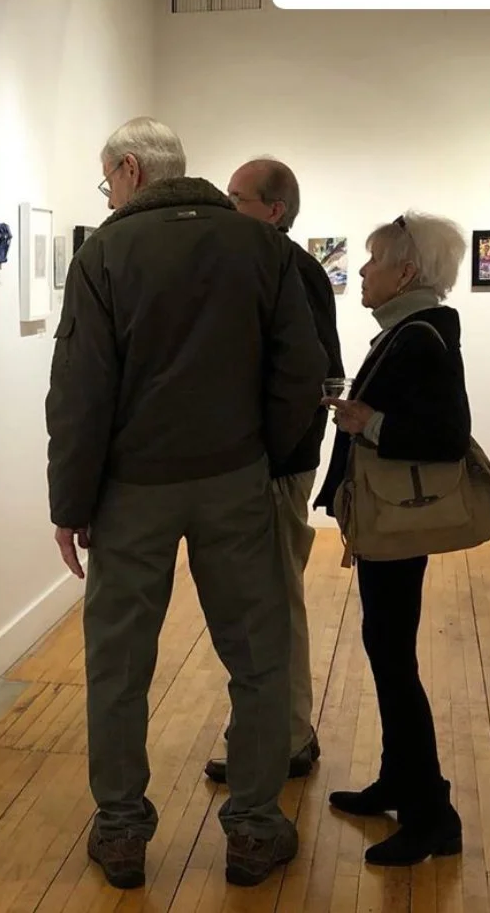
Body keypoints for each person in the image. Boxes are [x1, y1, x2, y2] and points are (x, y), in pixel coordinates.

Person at [45, 117, 328, 889]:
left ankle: (124, 828)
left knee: (119, 663)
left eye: (106, 179)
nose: (106, 194)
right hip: (235, 479)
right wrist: (258, 450)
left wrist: (70, 503)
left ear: (131, 171)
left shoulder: (104, 254)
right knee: (259, 658)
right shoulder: (261, 247)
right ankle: (255, 826)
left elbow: (80, 392)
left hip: (131, 490)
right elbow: (302, 371)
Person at [314, 211, 469, 866]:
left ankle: (432, 811)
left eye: (374, 259)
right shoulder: (405, 332)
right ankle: (399, 779)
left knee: (393, 656)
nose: (365, 271)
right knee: (385, 646)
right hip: (390, 520)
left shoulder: (420, 338)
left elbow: (445, 435)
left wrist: (367, 421)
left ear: (407, 272)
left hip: (399, 521)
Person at [201, 157, 344, 789]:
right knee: (261, 602)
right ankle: (281, 731)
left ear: (273, 209)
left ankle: (282, 737)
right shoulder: (265, 266)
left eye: (236, 198)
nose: (227, 208)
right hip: (266, 462)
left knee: (272, 600)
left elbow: (313, 376)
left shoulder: (294, 270)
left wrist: (271, 455)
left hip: (276, 468)